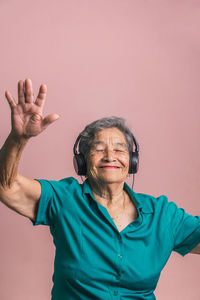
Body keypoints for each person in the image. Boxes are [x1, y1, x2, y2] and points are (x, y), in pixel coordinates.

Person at [1, 78, 200, 300]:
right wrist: (19, 139)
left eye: (119, 149)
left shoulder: (163, 215)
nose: (110, 157)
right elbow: (6, 187)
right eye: (98, 149)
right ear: (83, 161)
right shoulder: (63, 198)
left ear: (132, 161)